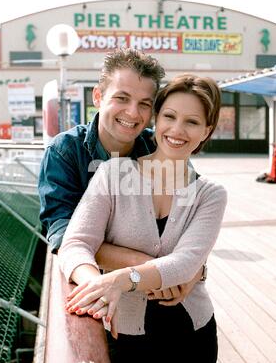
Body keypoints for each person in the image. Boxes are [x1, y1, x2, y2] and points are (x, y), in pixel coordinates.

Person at [59, 74, 227, 363]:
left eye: (192, 122)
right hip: (128, 338)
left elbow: (185, 263)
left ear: (206, 131)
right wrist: (97, 283)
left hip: (193, 337)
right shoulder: (112, 174)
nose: (177, 131)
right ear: (156, 119)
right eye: (169, 117)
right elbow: (75, 244)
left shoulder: (211, 194)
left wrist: (119, 280)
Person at [39, 48, 203, 307]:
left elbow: (196, 227)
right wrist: (154, 268)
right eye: (122, 98)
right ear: (98, 96)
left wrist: (196, 271)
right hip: (109, 297)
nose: (133, 113)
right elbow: (64, 236)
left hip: (172, 304)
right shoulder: (65, 151)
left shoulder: (163, 148)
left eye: (144, 104)